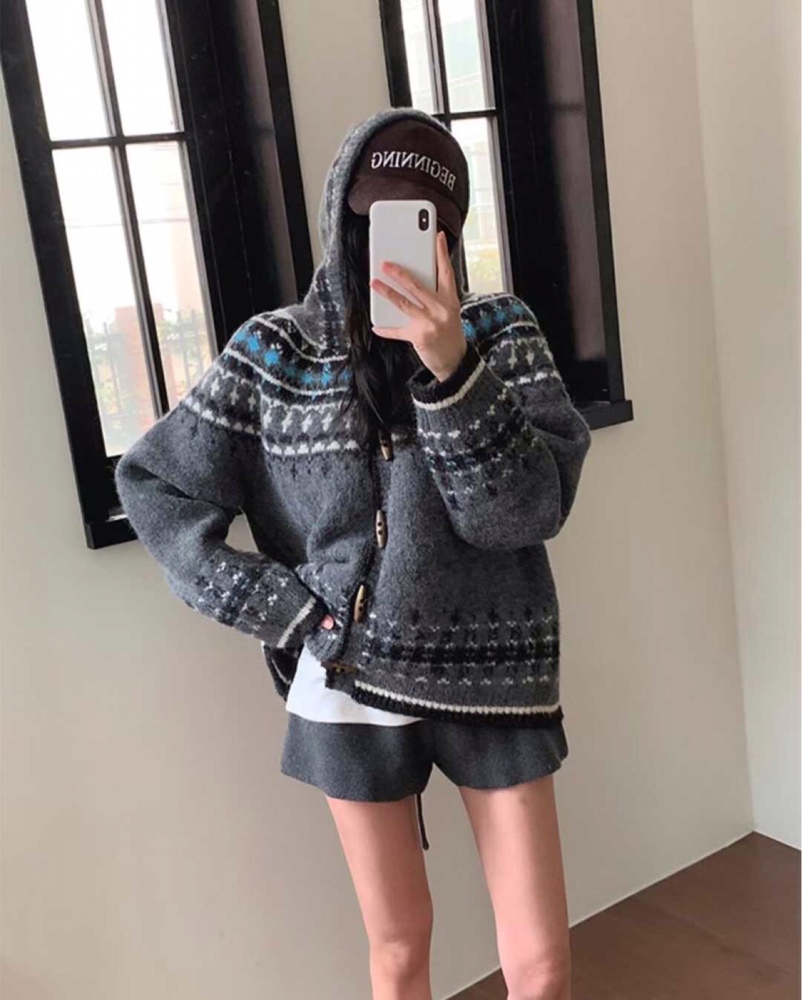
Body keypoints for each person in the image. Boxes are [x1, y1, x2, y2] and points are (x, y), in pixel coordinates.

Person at [114, 107, 592, 1000]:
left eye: (421, 220)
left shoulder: (503, 332)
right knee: (399, 953)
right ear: (342, 214)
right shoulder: (274, 353)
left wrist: (451, 369)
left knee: (539, 966)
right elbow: (153, 484)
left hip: (494, 668)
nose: (390, 243)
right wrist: (284, 608)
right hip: (345, 679)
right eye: (375, 218)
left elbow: (522, 514)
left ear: (450, 231)